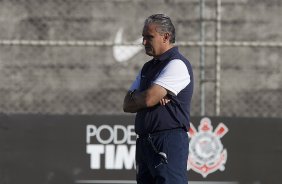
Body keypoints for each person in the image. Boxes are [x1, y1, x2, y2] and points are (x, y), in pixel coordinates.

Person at [123, 14, 193, 184]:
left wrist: (145, 96)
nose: (144, 42)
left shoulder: (177, 64)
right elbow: (126, 103)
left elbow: (147, 99)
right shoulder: (148, 67)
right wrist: (149, 95)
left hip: (167, 140)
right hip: (145, 143)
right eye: (143, 37)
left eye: (149, 37)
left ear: (166, 37)